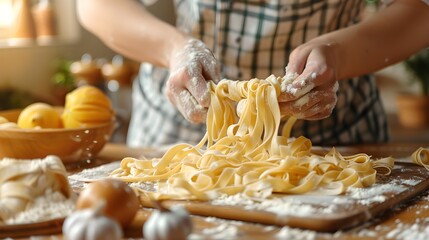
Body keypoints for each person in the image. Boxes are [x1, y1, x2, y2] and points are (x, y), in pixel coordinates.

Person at [76, 0, 429, 148]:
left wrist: (338, 53)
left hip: (334, 141)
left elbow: (418, 11)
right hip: (178, 133)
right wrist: (173, 49)